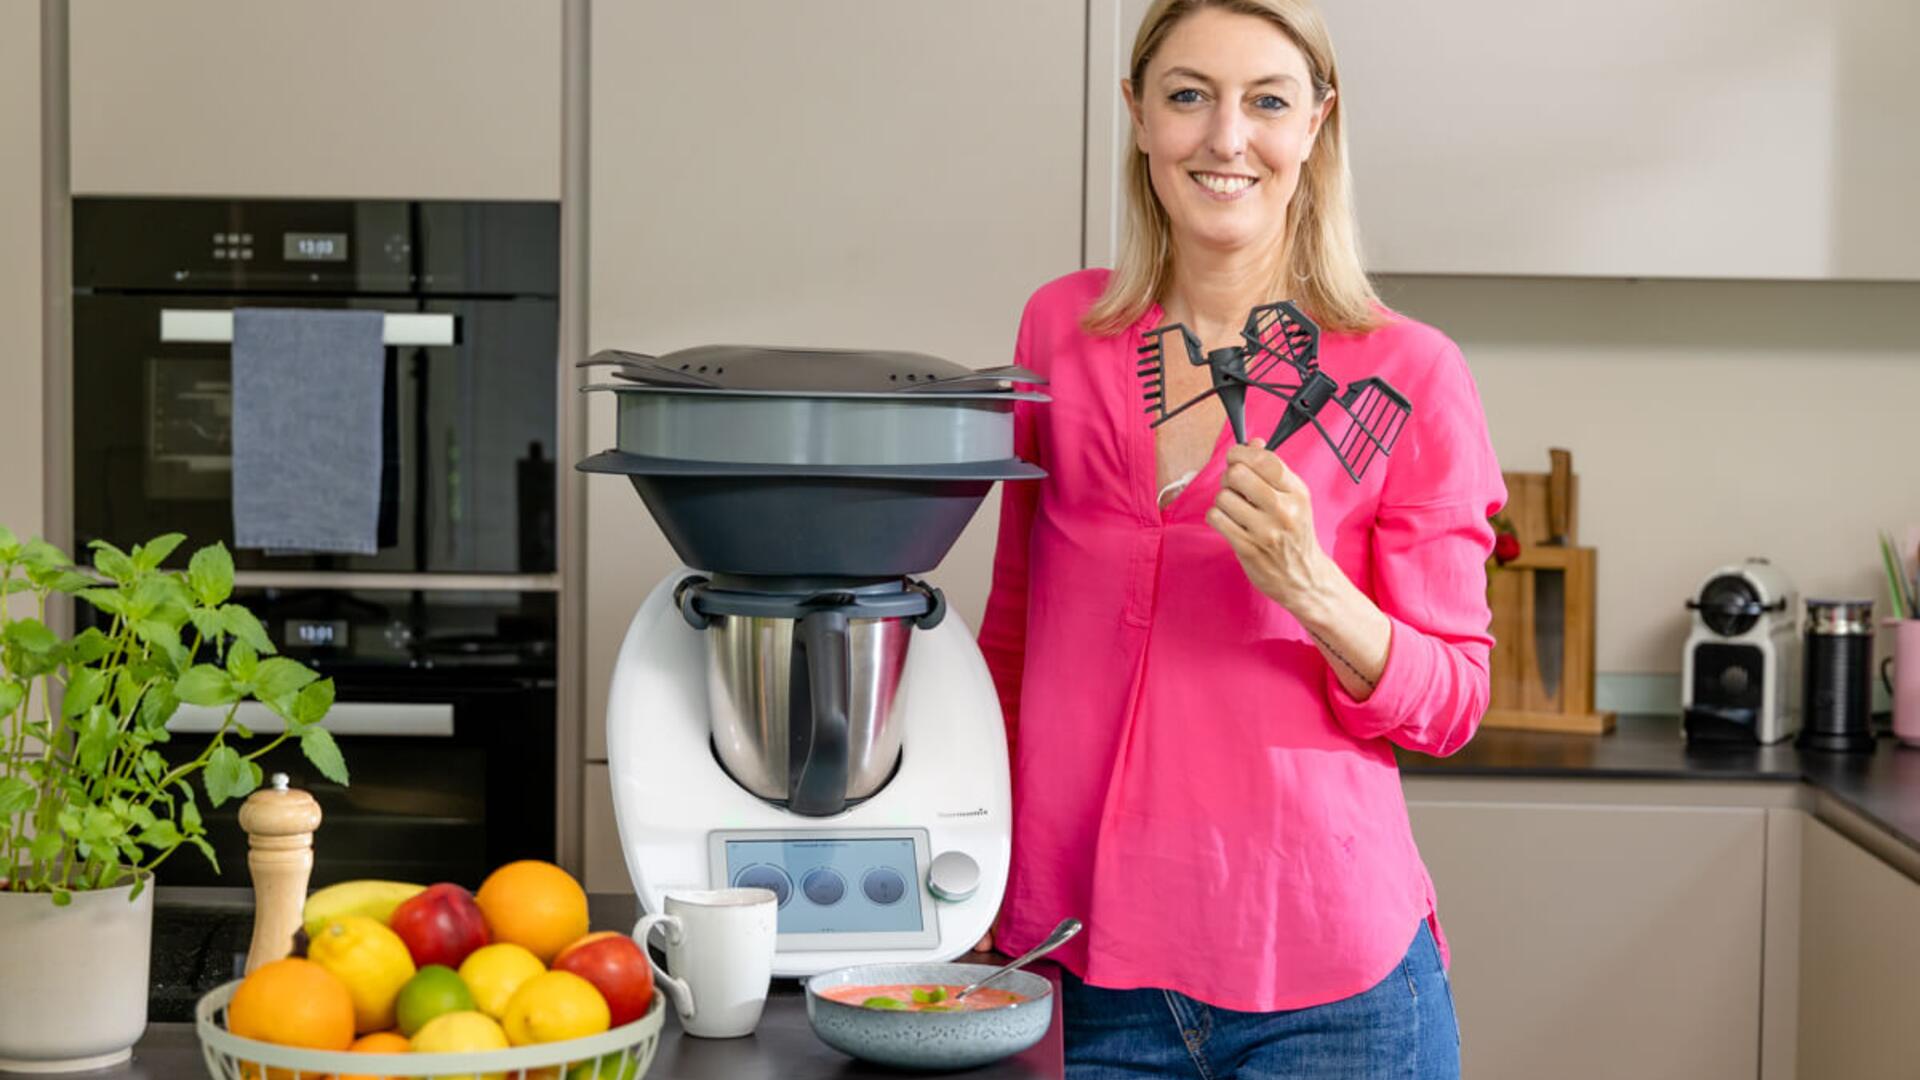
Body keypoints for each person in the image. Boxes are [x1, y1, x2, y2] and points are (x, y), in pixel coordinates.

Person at [975, 1, 1506, 1076]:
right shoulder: (1059, 335)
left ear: (1316, 123)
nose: (1227, 137)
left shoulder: (1410, 371)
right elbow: (1012, 636)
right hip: (1078, 962)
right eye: (1189, 96)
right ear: (1138, 116)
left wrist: (1316, 588)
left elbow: (1454, 701)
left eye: (1267, 101)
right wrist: (975, 878)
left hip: (1333, 988)